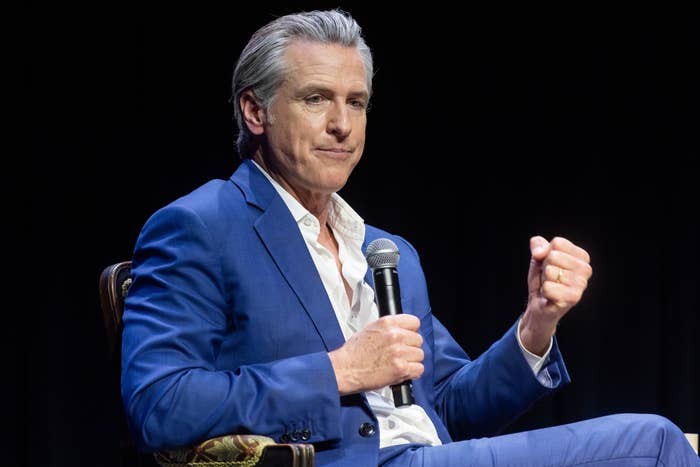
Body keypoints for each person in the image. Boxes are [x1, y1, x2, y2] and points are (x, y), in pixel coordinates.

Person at [120, 9, 699, 466]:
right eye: (316, 98)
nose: (341, 124)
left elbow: (448, 408)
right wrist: (340, 369)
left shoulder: (385, 252)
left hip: (428, 455)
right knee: (653, 444)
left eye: (356, 103)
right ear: (255, 111)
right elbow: (159, 404)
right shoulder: (201, 226)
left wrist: (535, 327)